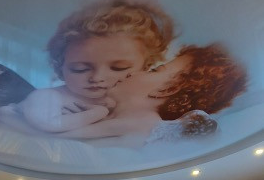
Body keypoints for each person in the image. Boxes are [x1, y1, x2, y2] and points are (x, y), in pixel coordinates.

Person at [0, 0, 175, 133]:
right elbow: (49, 127)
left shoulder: (138, 107)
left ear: (146, 67)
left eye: (119, 68)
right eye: (80, 69)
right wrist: (97, 113)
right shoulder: (46, 98)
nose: (97, 78)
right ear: (60, 68)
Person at [59, 44, 247, 143]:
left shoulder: (144, 123)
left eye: (153, 71)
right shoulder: (131, 121)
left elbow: (62, 139)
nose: (133, 73)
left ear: (168, 89)